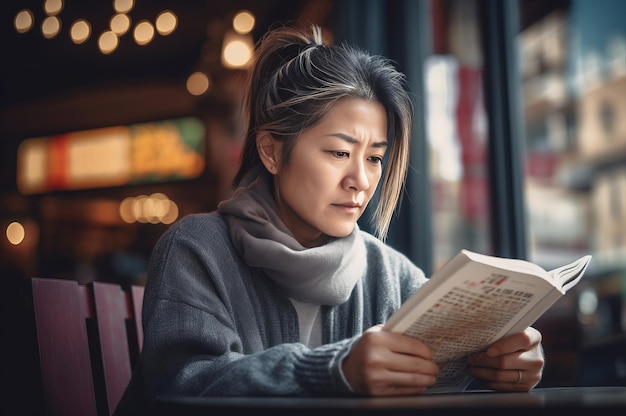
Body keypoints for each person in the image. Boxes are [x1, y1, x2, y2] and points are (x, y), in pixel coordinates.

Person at [113, 23, 544, 414]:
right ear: (272, 151)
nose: (360, 180)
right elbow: (181, 386)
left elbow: (438, 380)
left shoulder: (389, 274)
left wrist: (496, 369)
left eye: (375, 157)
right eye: (339, 152)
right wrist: (329, 371)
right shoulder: (196, 249)